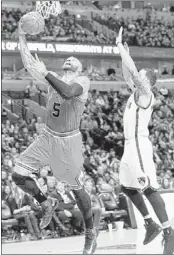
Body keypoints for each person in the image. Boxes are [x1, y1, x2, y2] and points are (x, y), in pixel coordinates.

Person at [12, 21, 97, 254]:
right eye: (67, 59)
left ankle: (91, 233)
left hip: (68, 142)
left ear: (79, 69)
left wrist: (46, 72)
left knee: (76, 188)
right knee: (17, 174)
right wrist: (21, 38)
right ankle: (46, 202)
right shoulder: (52, 80)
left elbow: (67, 92)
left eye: (74, 59)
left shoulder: (83, 81)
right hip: (47, 137)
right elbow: (30, 64)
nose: (69, 59)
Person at [116, 27, 174, 254]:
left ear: (147, 82)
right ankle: (150, 223)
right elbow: (126, 73)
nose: (135, 76)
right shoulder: (134, 93)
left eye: (140, 75)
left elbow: (131, 71)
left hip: (139, 145)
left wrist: (122, 49)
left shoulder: (146, 95)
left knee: (148, 187)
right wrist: (124, 54)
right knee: (127, 187)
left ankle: (170, 233)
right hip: (128, 146)